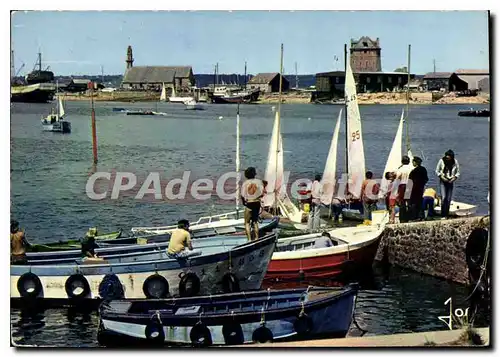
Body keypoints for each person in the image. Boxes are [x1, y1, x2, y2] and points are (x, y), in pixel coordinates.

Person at [435, 149, 460, 218]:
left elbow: (458, 172)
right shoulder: (441, 161)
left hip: (450, 180)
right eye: (446, 155)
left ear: (451, 156)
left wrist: (453, 179)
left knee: (448, 199)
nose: (447, 157)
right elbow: (437, 171)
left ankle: (447, 215)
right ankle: (443, 215)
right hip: (443, 180)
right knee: (443, 198)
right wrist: (442, 177)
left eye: (448, 156)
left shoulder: (455, 162)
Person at [241, 167, 264, 241]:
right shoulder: (259, 181)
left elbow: (242, 195)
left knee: (247, 223)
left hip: (249, 203)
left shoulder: (245, 183)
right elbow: (262, 193)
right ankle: (257, 238)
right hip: (257, 203)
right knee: (255, 221)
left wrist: (244, 202)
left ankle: (249, 239)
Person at [408, 156, 429, 221]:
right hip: (420, 188)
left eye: (413, 162)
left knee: (413, 203)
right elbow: (426, 179)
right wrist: (422, 184)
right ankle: (421, 216)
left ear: (415, 162)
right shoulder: (423, 169)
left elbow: (410, 181)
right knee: (420, 202)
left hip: (413, 189)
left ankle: (414, 217)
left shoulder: (413, 171)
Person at [396, 156, 413, 223]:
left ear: (402, 161)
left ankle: (402, 218)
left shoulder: (401, 169)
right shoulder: (411, 168)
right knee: (409, 202)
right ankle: (410, 217)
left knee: (402, 202)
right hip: (409, 184)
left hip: (402, 185)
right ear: (409, 161)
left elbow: (397, 178)